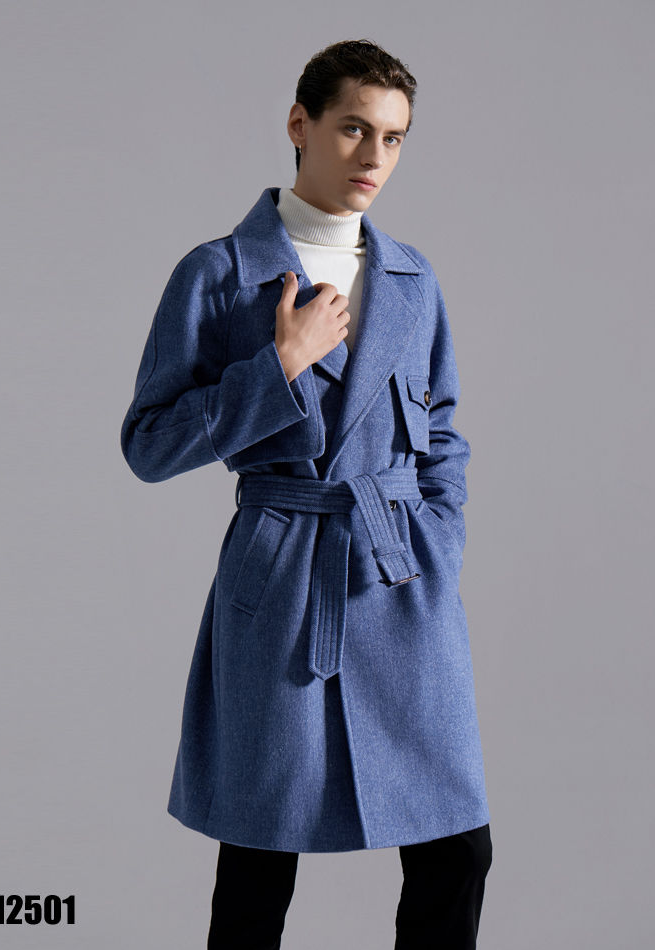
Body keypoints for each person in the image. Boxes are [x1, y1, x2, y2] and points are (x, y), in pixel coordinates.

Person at [122, 39, 491, 950]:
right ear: (300, 124)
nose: (374, 157)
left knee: (457, 848)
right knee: (259, 858)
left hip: (399, 579)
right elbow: (149, 445)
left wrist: (438, 543)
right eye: (354, 128)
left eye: (394, 138)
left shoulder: (412, 278)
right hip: (280, 583)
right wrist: (279, 365)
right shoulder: (217, 274)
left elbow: (443, 432)